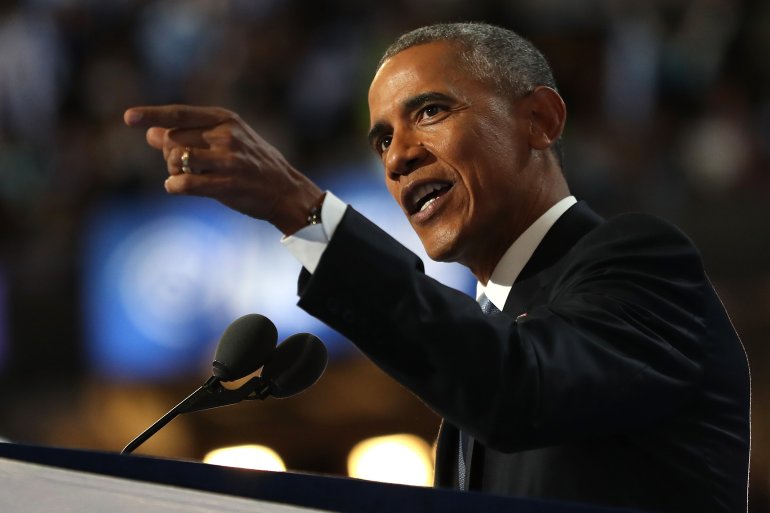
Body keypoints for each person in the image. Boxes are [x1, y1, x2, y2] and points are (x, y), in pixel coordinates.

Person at [124, 22, 750, 513]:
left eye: (429, 112)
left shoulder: (643, 264)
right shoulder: (481, 350)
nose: (397, 158)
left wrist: (303, 211)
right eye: (381, 140)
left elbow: (516, 388)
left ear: (540, 120)